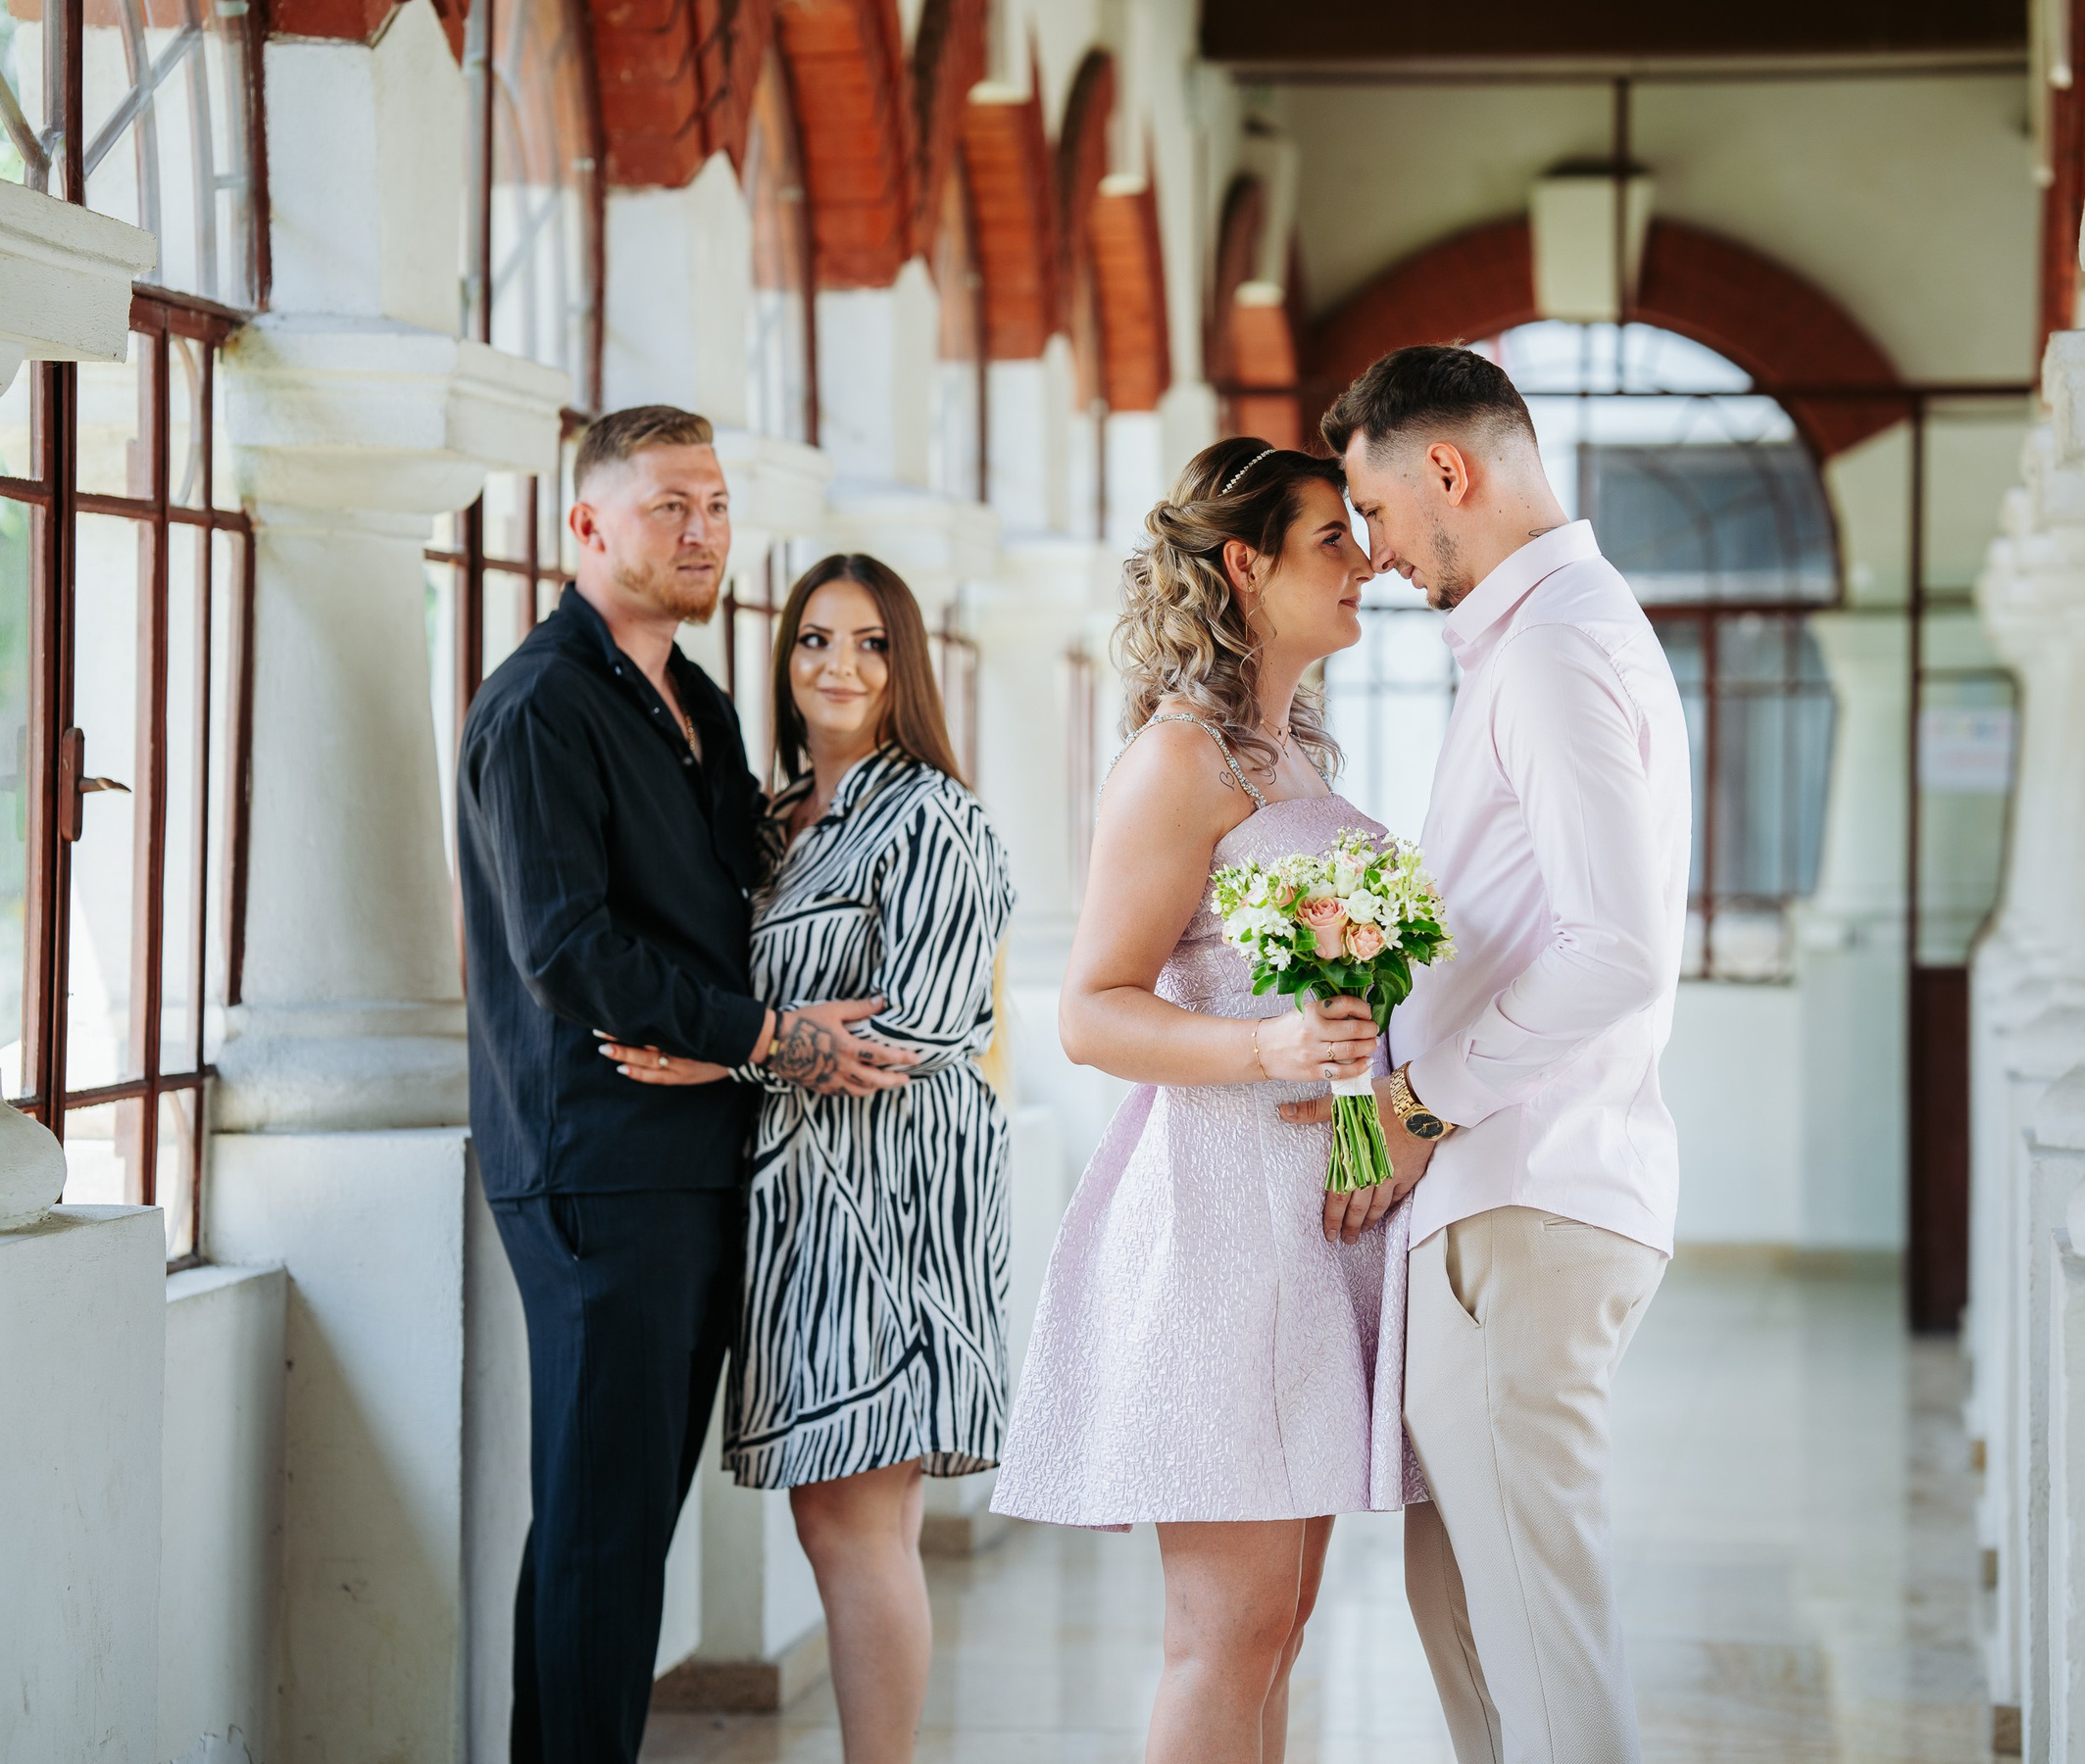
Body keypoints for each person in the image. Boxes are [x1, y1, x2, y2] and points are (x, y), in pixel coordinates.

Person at [457, 406, 920, 1764]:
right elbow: (566, 949)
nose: (704, 529)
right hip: (599, 1165)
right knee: (602, 1536)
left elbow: (737, 906)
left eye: (715, 502)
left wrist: (737, 1031)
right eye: (669, 505)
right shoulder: (543, 703)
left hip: (692, 1150)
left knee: (619, 1532)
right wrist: (766, 1036)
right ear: (585, 526)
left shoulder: (698, 700)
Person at [989, 436, 1415, 1764]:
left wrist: (1376, 1111)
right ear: (1247, 563)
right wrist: (1271, 1056)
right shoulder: (1179, 760)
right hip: (1221, 1237)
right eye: (1333, 541)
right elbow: (1092, 1005)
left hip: (1318, 1231)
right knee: (1222, 1636)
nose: (1367, 564)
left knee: (1279, 1629)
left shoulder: (1290, 755)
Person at [1301, 343, 1692, 1764]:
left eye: (1377, 512)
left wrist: (1415, 1103)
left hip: (1527, 1197)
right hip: (1511, 1194)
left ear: (1447, 472)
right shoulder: (1549, 637)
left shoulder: (1552, 645)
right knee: (1461, 1598)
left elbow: (1619, 949)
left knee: (1538, 1629)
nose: (1374, 552)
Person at [602, 553, 1017, 1764]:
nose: (840, 666)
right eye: (814, 641)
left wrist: (722, 1058)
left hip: (895, 1203)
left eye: (871, 643)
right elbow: (812, 1022)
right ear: (782, 663)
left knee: (855, 1521)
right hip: (792, 1199)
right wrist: (777, 1046)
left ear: (905, 667)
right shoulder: (774, 821)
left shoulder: (935, 816)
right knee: (830, 1514)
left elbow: (918, 1034)